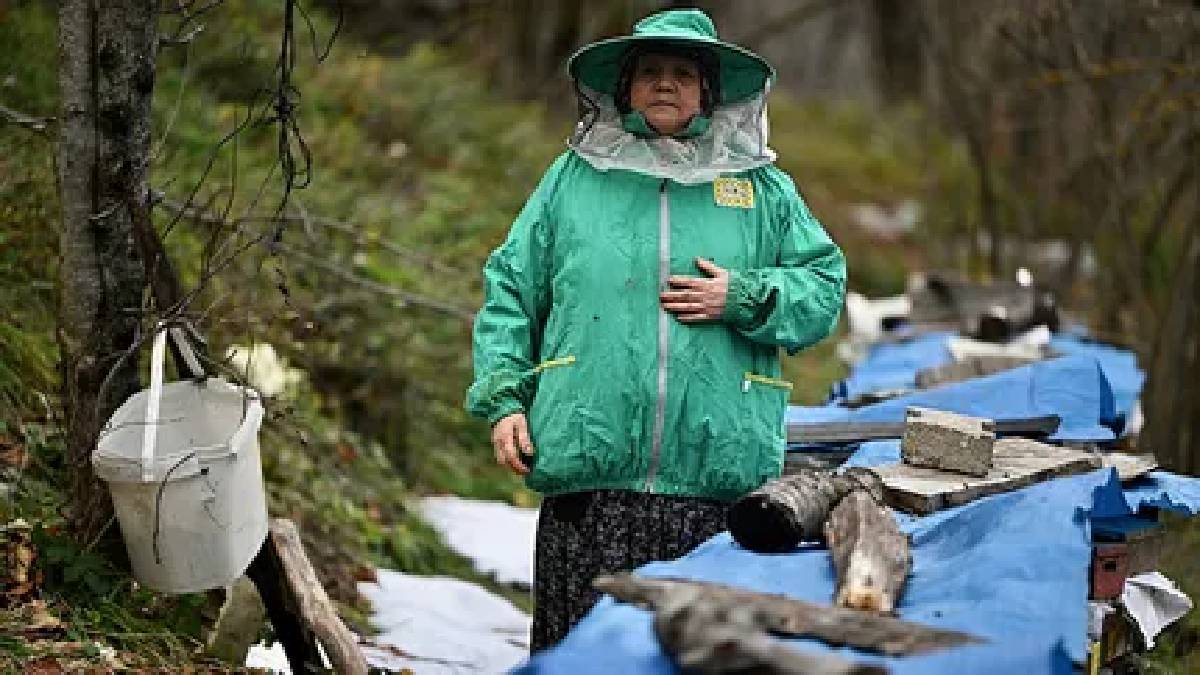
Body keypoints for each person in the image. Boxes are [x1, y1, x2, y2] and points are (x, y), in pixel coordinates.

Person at [466, 8, 846, 653]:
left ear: (709, 92)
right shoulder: (572, 181)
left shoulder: (761, 189)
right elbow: (512, 289)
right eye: (649, 73)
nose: (665, 85)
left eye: (681, 74)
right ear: (624, 89)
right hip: (590, 467)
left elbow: (822, 289)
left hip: (714, 473)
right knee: (576, 650)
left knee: (688, 653)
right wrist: (504, 399)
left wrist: (745, 295)